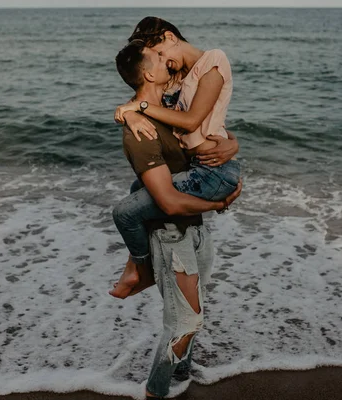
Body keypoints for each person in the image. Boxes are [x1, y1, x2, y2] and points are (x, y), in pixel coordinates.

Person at [114, 39, 241, 398]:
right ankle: (155, 391)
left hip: (193, 228)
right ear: (150, 72)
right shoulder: (141, 132)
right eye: (158, 56)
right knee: (185, 321)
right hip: (172, 236)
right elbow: (168, 202)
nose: (168, 62)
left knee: (195, 312)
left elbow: (200, 126)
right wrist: (219, 204)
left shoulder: (163, 110)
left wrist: (232, 143)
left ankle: (183, 372)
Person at [110, 16, 241, 298]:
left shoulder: (212, 62)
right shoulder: (177, 79)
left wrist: (138, 107)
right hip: (199, 165)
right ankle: (138, 265)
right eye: (155, 58)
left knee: (127, 211)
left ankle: (139, 268)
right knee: (137, 189)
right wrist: (130, 113)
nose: (162, 61)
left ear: (170, 37)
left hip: (212, 169)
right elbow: (148, 91)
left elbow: (192, 121)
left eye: (159, 53)